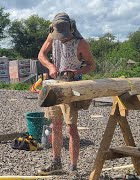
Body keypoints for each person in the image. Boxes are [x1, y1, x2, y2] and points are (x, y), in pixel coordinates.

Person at [37, 12, 96, 176]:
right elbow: (41, 55)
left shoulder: (80, 43)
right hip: (55, 87)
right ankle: (56, 163)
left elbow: (91, 65)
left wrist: (77, 70)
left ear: (71, 28)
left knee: (71, 129)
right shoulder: (52, 36)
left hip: (72, 88)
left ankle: (73, 168)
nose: (61, 38)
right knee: (55, 126)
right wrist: (50, 66)